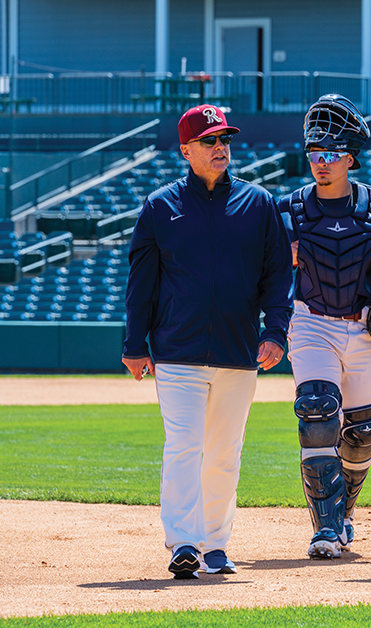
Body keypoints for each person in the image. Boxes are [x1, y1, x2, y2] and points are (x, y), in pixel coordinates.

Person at [122, 104, 292, 580]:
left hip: (239, 352)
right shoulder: (160, 206)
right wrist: (135, 345)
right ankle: (183, 542)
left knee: (224, 451)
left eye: (225, 140)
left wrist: (276, 330)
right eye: (210, 141)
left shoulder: (258, 204)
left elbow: (278, 276)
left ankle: (215, 544)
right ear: (186, 150)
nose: (221, 147)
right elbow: (142, 283)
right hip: (178, 351)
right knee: (183, 444)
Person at [277, 95, 371, 560]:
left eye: (329, 155)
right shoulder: (290, 209)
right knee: (318, 410)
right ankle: (324, 529)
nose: (320, 164)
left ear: (349, 158)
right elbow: (270, 270)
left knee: (363, 432)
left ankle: (343, 512)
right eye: (313, 155)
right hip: (312, 322)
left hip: (364, 327)